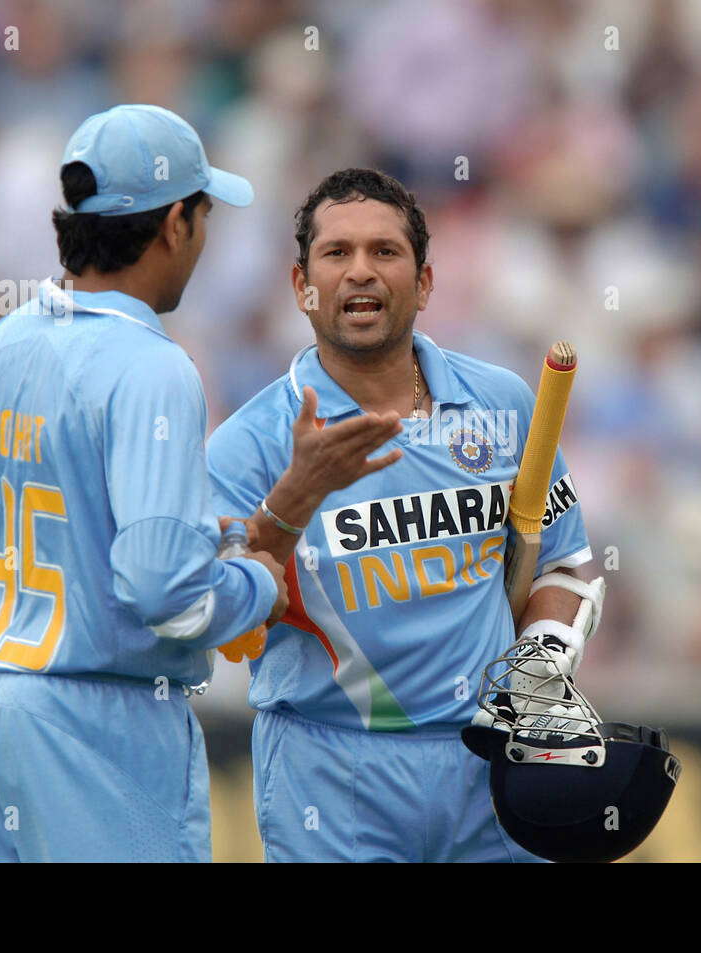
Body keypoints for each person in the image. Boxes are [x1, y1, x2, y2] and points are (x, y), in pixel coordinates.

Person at [0, 104, 292, 862]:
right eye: (204, 212)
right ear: (174, 224)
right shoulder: (154, 366)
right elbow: (167, 596)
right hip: (99, 725)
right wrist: (256, 582)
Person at [206, 168, 599, 862]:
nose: (361, 271)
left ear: (423, 282)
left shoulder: (503, 402)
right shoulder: (249, 441)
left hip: (492, 763)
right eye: (337, 253)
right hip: (329, 768)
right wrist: (291, 499)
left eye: (385, 252)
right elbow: (225, 616)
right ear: (301, 284)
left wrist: (540, 664)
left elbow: (565, 564)